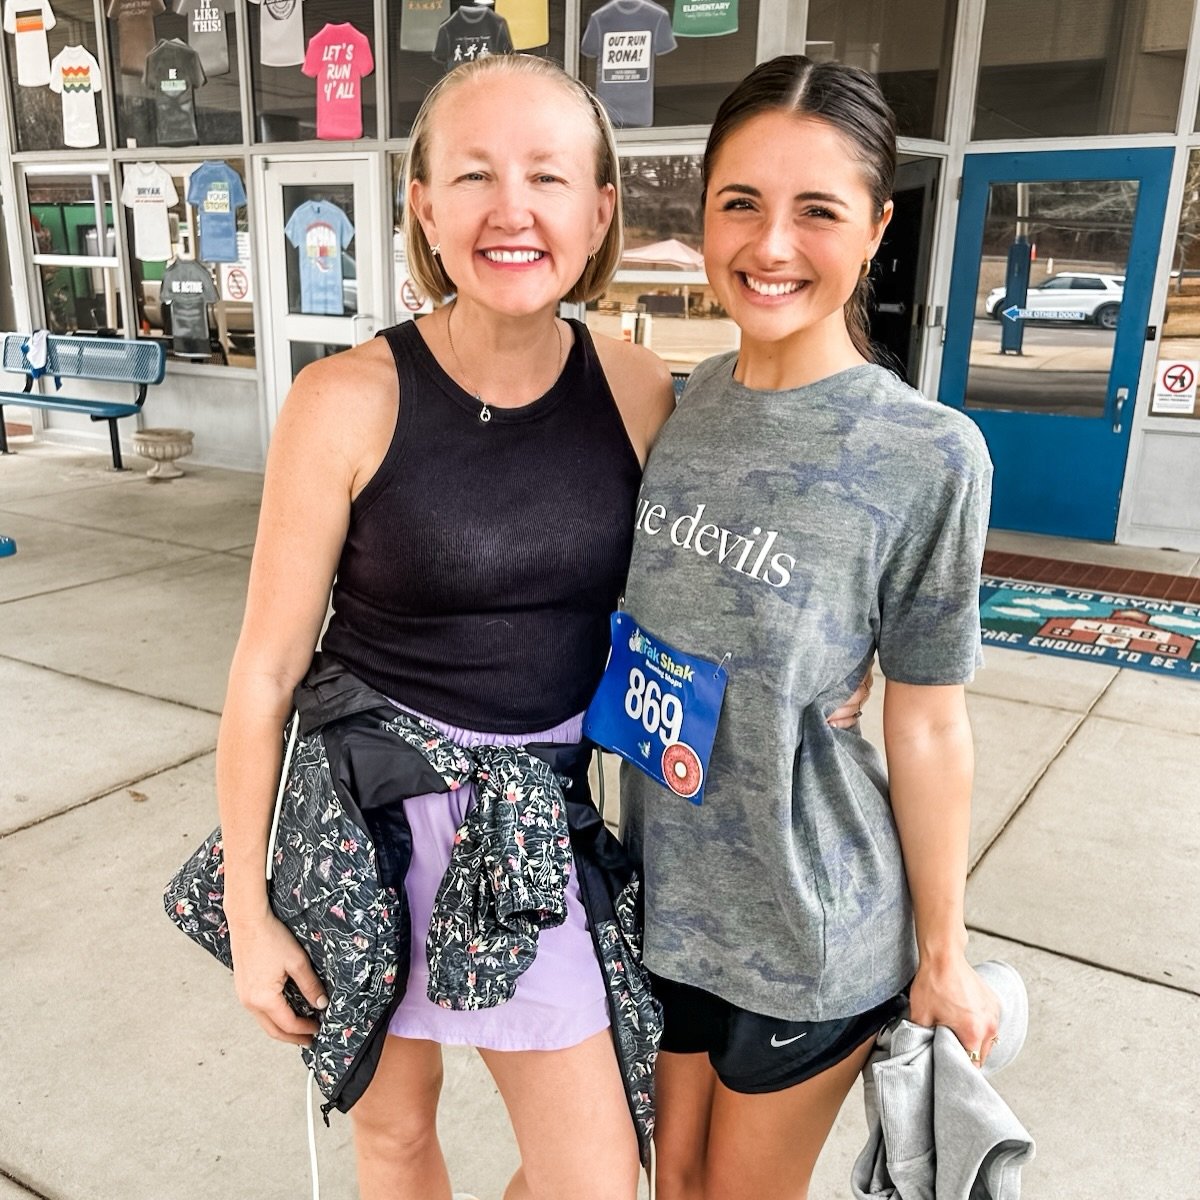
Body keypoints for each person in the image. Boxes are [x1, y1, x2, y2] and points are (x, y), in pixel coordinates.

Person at [214, 53, 676, 1200]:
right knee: (395, 1139)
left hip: (536, 829)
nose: (511, 209)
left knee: (596, 1180)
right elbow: (265, 672)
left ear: (599, 210)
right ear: (423, 205)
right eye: (474, 175)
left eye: (547, 177)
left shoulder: (641, 392)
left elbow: (703, 591)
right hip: (364, 823)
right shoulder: (344, 399)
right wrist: (248, 909)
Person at [615, 55, 1002, 1200]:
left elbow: (929, 723)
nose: (771, 244)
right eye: (741, 202)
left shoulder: (929, 454)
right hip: (665, 897)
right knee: (668, 1185)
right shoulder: (676, 411)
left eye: (818, 211)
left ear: (876, 229)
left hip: (813, 920)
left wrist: (946, 953)